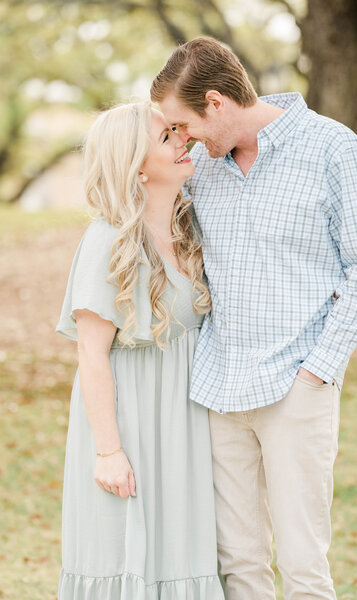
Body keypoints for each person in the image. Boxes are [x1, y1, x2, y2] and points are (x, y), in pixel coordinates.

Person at [151, 37, 357, 600]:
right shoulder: (201, 169)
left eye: (183, 124)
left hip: (296, 388)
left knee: (304, 566)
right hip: (219, 386)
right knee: (239, 564)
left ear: (216, 101)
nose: (179, 139)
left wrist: (319, 369)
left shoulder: (334, 149)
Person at [56, 101, 224, 599]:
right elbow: (91, 353)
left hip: (186, 422)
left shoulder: (190, 231)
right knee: (123, 553)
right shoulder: (108, 239)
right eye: (166, 136)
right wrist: (108, 451)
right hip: (127, 418)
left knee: (182, 554)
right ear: (135, 165)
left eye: (179, 131)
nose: (182, 141)